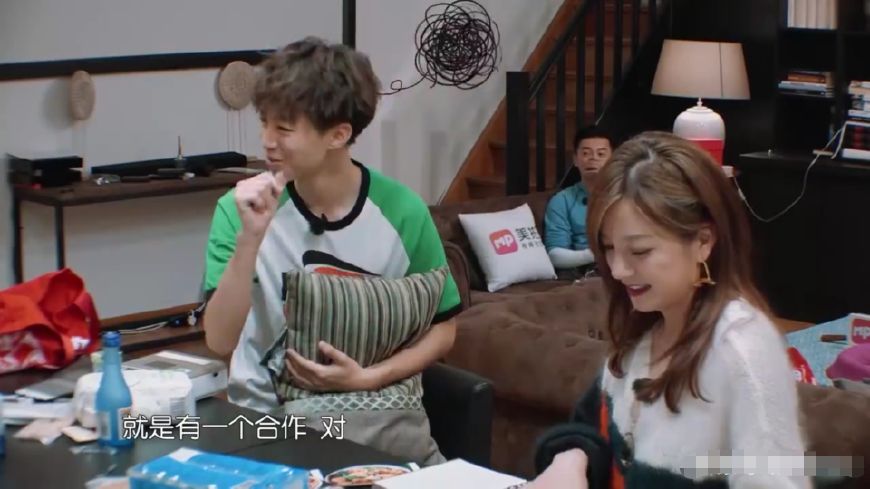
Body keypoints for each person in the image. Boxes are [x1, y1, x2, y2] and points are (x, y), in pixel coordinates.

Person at [201, 37, 462, 465]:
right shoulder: (238, 209)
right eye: (264, 123)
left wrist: (369, 377)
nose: (266, 140)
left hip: (375, 427)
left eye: (284, 128)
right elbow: (219, 339)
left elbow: (444, 328)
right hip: (264, 427)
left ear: (339, 134)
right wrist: (251, 238)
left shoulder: (402, 211)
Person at [530, 131, 810, 488]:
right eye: (609, 248)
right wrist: (571, 459)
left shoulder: (741, 349)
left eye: (640, 251)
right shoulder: (645, 325)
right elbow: (590, 424)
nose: (617, 270)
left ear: (703, 241)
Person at [543, 126, 613, 278]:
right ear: (575, 159)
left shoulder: (626, 194)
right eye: (586, 153)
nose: (593, 158)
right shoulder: (562, 201)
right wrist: (594, 255)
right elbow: (555, 254)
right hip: (585, 269)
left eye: (601, 154)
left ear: (613, 160)